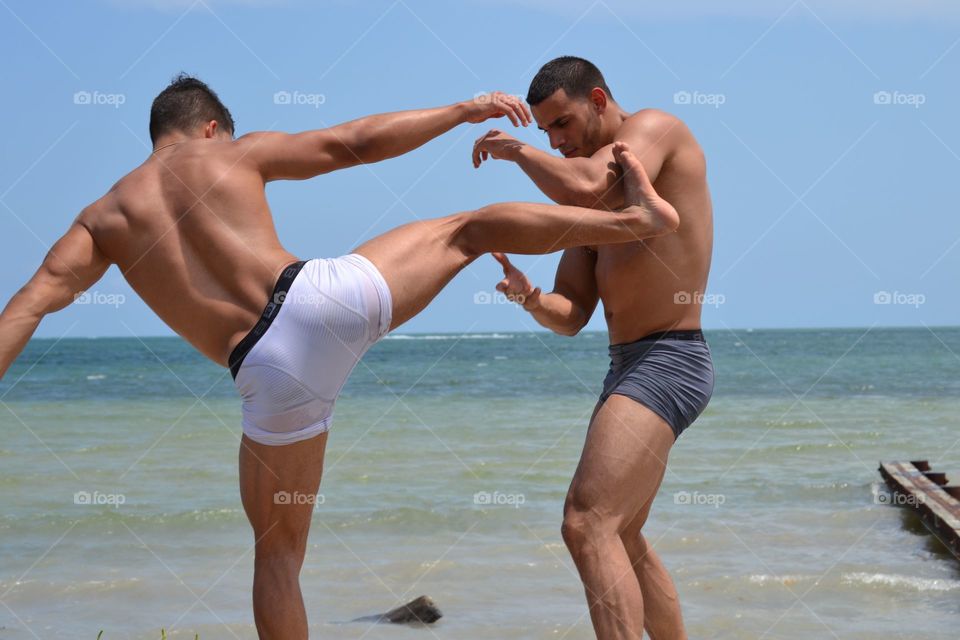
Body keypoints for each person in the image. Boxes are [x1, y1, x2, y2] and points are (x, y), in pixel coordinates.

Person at [0, 73, 680, 639]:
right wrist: (461, 111)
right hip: (317, 303)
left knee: (277, 556)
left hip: (262, 377)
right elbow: (350, 144)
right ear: (212, 128)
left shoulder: (101, 219)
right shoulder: (228, 155)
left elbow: (28, 306)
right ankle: (634, 222)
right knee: (471, 229)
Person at [473, 56, 715, 639]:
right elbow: (573, 313)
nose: (555, 142)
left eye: (562, 124)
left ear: (600, 100)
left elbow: (583, 181)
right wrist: (530, 298)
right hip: (628, 364)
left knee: (586, 523)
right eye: (545, 131)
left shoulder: (654, 130)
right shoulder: (594, 208)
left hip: (670, 357)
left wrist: (515, 150)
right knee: (621, 533)